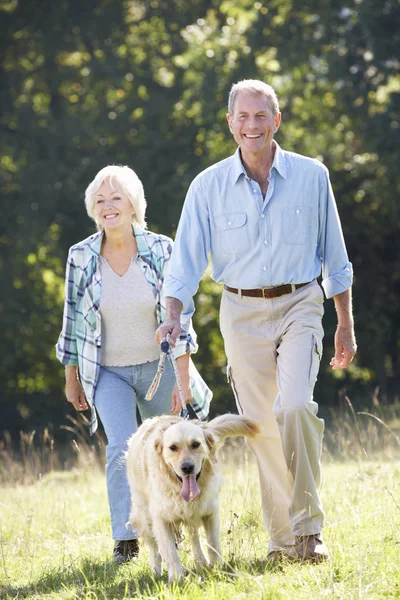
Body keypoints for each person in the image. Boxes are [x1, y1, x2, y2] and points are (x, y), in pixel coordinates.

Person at [156, 80, 357, 563]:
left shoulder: (313, 177)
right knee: (263, 427)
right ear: (230, 123)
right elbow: (183, 264)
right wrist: (172, 316)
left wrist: (345, 323)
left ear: (276, 121)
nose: (252, 125)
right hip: (240, 312)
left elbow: (336, 257)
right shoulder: (207, 186)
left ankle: (309, 531)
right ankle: (283, 542)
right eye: (242, 117)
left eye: (261, 116)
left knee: (293, 409)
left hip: (301, 303)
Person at [56, 165, 212, 564]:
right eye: (101, 200)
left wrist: (182, 380)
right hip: (108, 372)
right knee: (122, 452)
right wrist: (71, 376)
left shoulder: (161, 249)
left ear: (134, 205)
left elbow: (181, 320)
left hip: (158, 370)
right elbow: (71, 320)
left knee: (172, 454)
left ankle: (171, 527)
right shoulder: (81, 256)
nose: (109, 207)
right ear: (93, 208)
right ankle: (126, 539)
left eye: (117, 198)